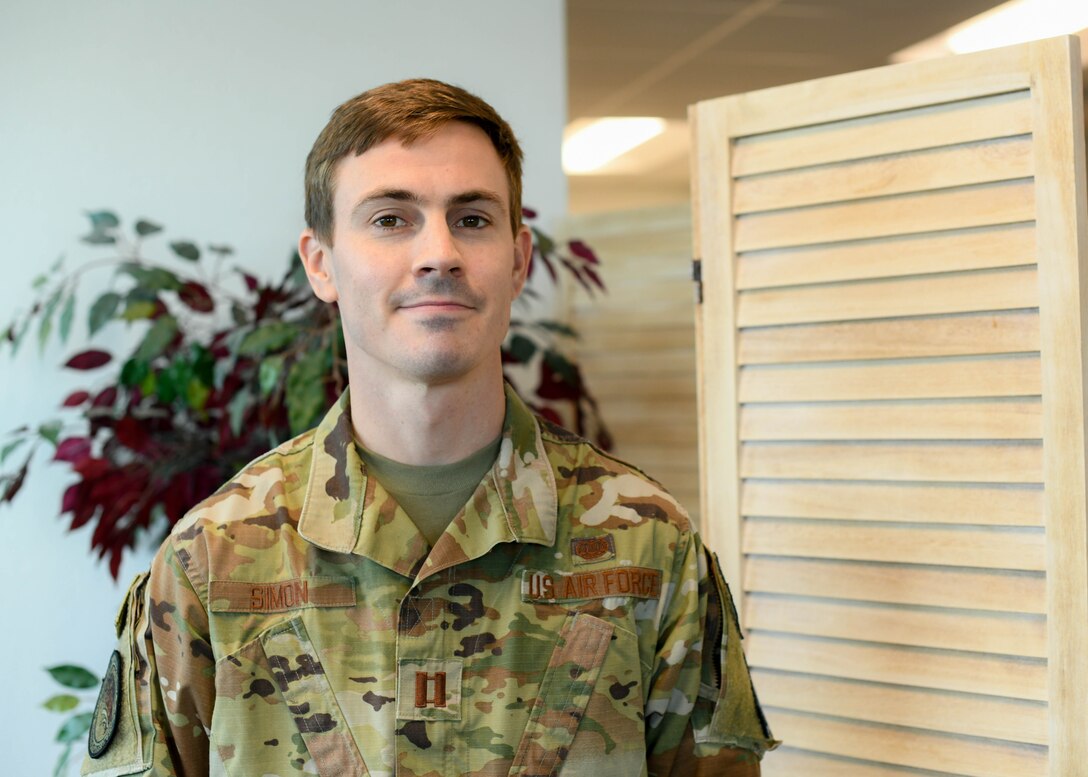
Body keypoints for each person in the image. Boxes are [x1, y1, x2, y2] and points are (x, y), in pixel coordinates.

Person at [82, 78, 776, 777]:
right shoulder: (213, 561)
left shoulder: (647, 546)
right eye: (391, 219)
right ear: (321, 263)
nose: (438, 252)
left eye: (472, 218)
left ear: (518, 259)